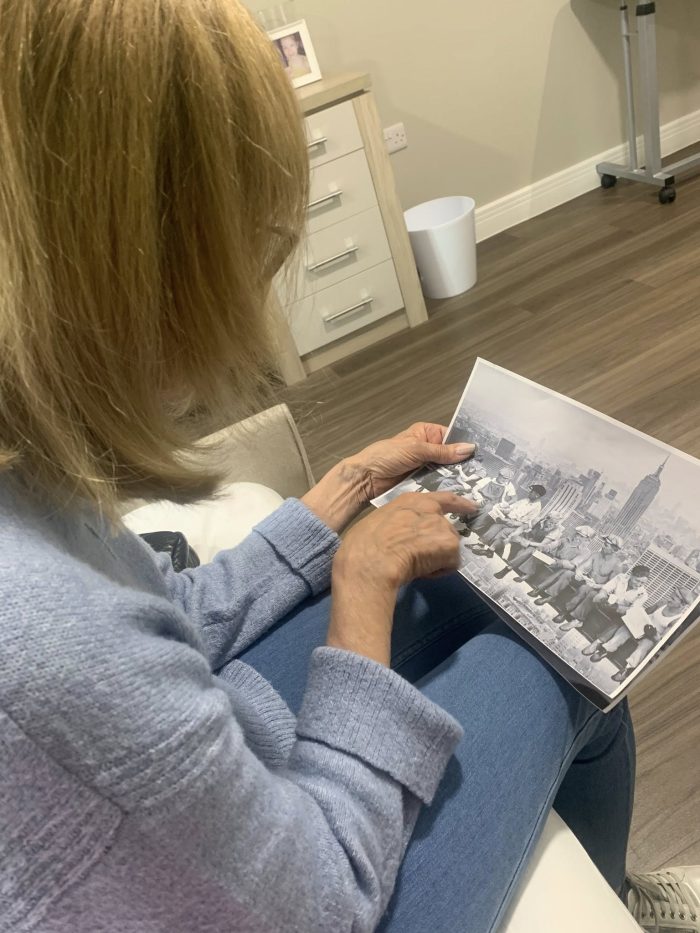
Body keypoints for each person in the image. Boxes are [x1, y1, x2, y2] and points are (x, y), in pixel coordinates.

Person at [0, 3, 691, 932]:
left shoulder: (30, 487)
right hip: (311, 885)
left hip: (197, 797)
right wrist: (359, 585)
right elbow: (320, 899)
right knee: (566, 666)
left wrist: (342, 493)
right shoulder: (40, 639)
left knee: (470, 593)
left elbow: (168, 619)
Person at [611, 587, 690, 683]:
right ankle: (606, 649)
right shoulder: (662, 603)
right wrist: (637, 615)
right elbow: (646, 612)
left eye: (673, 599)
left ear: (682, 604)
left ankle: (627, 668)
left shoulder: (677, 619)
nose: (669, 599)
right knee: (625, 629)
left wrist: (653, 633)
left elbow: (661, 640)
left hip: (650, 637)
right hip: (640, 628)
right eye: (670, 596)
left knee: (645, 644)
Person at [581, 566, 652, 663]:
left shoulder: (643, 594)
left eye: (643, 583)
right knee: (594, 595)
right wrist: (603, 597)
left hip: (619, 612)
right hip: (607, 604)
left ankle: (597, 643)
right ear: (631, 575)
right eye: (637, 581)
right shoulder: (621, 578)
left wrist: (617, 608)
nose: (639, 585)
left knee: (621, 621)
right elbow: (605, 589)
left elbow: (632, 611)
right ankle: (577, 620)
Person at [470, 484, 546, 558]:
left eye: (531, 492)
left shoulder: (537, 508)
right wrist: (504, 510)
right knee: (495, 527)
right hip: (507, 519)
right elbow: (512, 507)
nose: (529, 493)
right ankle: (480, 544)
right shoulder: (525, 500)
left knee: (503, 532)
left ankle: (489, 551)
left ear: (537, 495)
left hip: (517, 526)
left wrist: (513, 523)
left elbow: (527, 524)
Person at [492, 514, 563, 581]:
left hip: (537, 546)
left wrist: (528, 543)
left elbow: (542, 544)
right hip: (528, 538)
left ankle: (508, 568)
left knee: (529, 550)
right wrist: (516, 534)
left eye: (555, 524)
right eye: (551, 522)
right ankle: (491, 549)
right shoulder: (538, 520)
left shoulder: (556, 530)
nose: (552, 525)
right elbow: (523, 527)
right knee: (512, 536)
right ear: (547, 518)